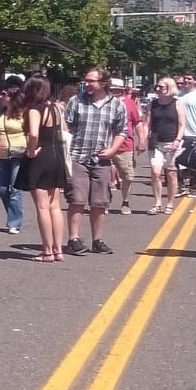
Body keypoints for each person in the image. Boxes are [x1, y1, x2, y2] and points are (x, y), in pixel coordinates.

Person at [63, 66, 131, 254]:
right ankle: (73, 239)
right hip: (77, 156)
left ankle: (97, 240)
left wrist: (112, 150)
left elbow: (122, 130)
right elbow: (66, 127)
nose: (87, 84)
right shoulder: (76, 101)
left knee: (99, 202)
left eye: (91, 81)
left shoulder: (116, 104)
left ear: (103, 83)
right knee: (76, 199)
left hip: (101, 160)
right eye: (86, 80)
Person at [20, 77, 68, 261]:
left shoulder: (34, 109)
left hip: (40, 157)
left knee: (42, 207)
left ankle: (47, 250)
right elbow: (63, 130)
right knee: (55, 205)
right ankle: (58, 250)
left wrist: (31, 152)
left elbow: (33, 133)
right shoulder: (55, 108)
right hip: (56, 155)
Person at [0, 80, 26, 236]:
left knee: (14, 188)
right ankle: (13, 213)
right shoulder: (1, 112)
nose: (1, 96)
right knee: (1, 188)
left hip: (19, 153)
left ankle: (14, 222)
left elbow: (30, 132)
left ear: (13, 96)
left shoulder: (23, 113)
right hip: (2, 153)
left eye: (4, 94)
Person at [147, 76, 184, 213]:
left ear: (169, 88)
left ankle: (170, 203)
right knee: (155, 172)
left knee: (171, 174)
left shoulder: (177, 103)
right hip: (156, 142)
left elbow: (182, 124)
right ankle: (157, 203)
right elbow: (148, 123)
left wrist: (177, 140)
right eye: (157, 86)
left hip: (172, 142)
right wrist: (143, 140)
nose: (158, 89)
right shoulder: (153, 104)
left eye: (161, 87)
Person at [110, 81, 142, 213]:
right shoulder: (102, 103)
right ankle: (103, 202)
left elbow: (138, 123)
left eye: (116, 89)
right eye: (111, 89)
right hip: (104, 144)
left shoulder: (129, 103)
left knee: (127, 176)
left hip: (125, 145)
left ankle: (125, 202)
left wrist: (142, 141)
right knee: (102, 176)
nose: (114, 92)